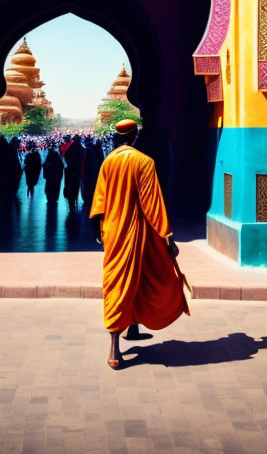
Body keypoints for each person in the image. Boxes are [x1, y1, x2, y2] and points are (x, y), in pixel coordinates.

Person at [90, 119, 188, 370]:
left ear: (117, 136)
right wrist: (168, 236)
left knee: (125, 280)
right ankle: (114, 349)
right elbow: (152, 204)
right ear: (135, 136)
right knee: (127, 281)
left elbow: (98, 201)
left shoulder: (108, 161)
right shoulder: (144, 162)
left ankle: (131, 328)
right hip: (137, 233)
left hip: (113, 231)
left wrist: (99, 230)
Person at [63, 134, 85, 212]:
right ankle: (74, 200)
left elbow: (65, 158)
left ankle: (72, 202)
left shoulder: (71, 148)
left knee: (71, 187)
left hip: (71, 171)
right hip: (77, 171)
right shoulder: (81, 149)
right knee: (75, 187)